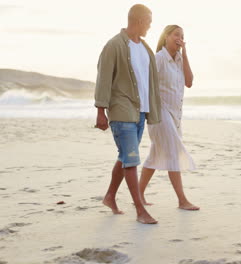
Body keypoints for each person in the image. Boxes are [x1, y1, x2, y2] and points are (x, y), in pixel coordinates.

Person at [94, 4, 161, 224]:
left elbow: (149, 81)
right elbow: (103, 78)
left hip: (141, 112)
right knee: (131, 160)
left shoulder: (145, 48)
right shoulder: (114, 45)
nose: (150, 26)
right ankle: (140, 210)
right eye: (149, 21)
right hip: (122, 109)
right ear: (140, 20)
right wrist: (100, 111)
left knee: (125, 156)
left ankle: (110, 196)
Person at [139, 25, 200, 211]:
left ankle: (138, 194)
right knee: (174, 151)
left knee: (155, 155)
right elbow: (144, 83)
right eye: (176, 34)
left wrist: (186, 53)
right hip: (159, 113)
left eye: (182, 36)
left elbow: (189, 82)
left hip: (176, 116)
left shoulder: (180, 59)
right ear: (166, 36)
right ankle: (182, 200)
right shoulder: (158, 59)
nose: (179, 38)